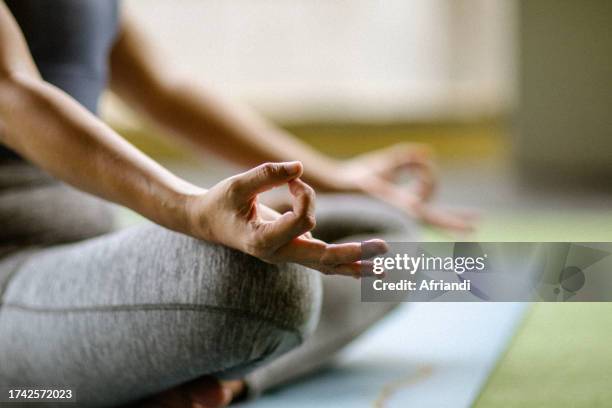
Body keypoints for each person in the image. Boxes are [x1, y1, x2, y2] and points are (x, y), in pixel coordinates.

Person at [0, 1, 472, 407]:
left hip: (83, 255)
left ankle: (224, 385)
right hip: (9, 279)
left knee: (389, 241)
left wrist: (338, 178)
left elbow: (163, 88)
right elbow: (11, 93)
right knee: (269, 283)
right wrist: (194, 211)